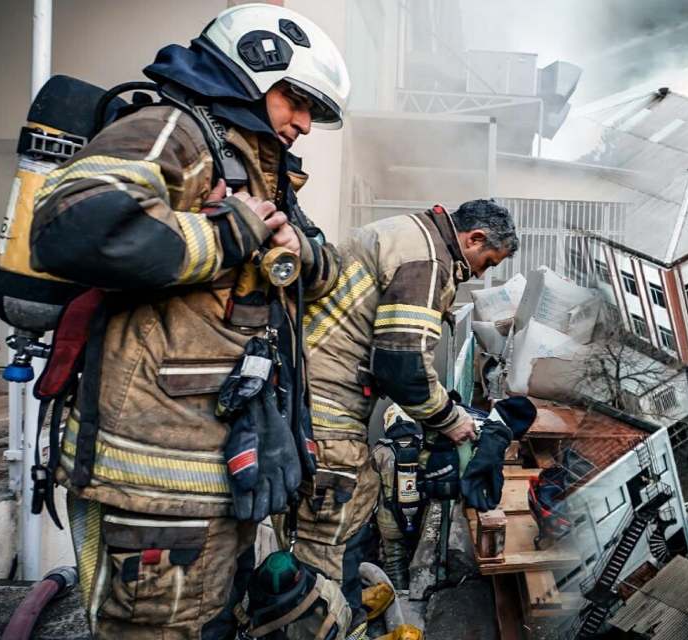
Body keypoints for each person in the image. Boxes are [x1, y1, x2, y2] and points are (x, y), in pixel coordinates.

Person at [29, 5, 348, 638]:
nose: (305, 124)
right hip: (154, 488)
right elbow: (73, 227)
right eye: (298, 100)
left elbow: (325, 267)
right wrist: (234, 231)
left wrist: (293, 249)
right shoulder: (172, 130)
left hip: (217, 473)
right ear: (255, 66)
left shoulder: (256, 167)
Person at [278, 199, 518, 612]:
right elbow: (403, 364)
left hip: (305, 384)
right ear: (474, 238)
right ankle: (323, 614)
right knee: (338, 518)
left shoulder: (408, 233)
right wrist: (452, 420)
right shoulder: (428, 260)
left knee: (348, 499)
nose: (482, 273)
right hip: (325, 400)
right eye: (487, 261)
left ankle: (333, 598)